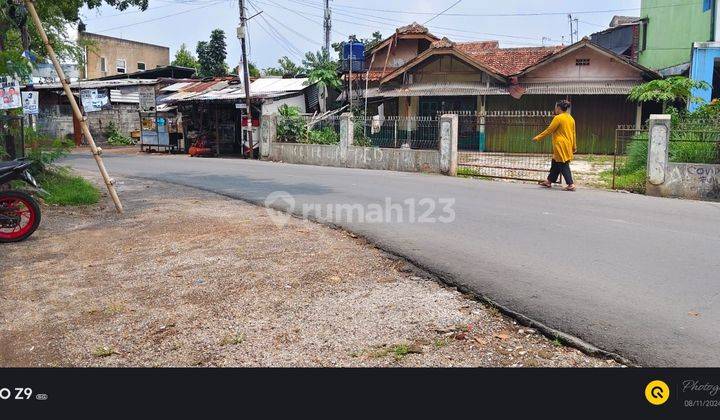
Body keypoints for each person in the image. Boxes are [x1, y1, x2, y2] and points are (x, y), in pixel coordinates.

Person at [532, 100, 577, 191]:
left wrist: (538, 137)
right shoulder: (571, 118)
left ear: (559, 108)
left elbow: (549, 130)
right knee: (555, 162)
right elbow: (573, 133)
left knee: (563, 163)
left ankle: (570, 184)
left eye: (556, 107)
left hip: (560, 144)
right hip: (568, 143)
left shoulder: (558, 118)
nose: (555, 109)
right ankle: (549, 181)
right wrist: (574, 146)